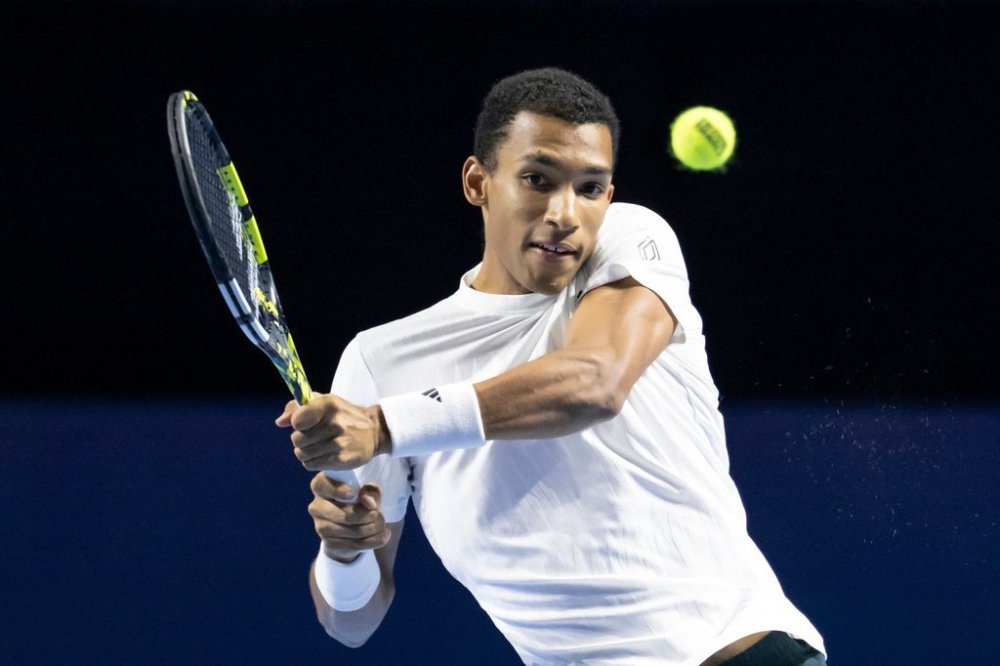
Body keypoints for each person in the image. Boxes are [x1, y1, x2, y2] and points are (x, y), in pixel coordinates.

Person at [276, 67, 827, 665]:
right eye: (538, 179)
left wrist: (384, 425)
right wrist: (344, 551)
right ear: (477, 183)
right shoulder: (380, 362)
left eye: (590, 188)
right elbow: (352, 621)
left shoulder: (632, 242)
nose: (566, 213)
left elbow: (594, 383)